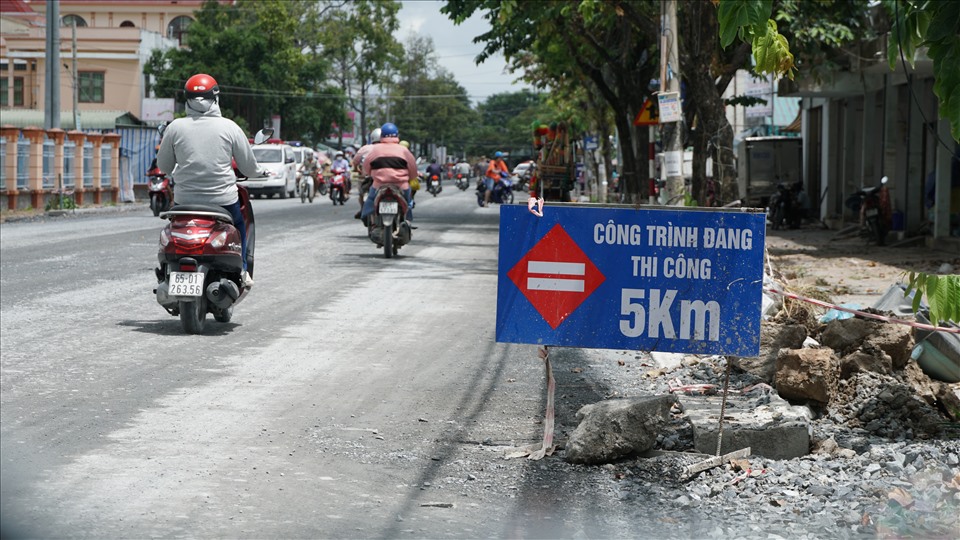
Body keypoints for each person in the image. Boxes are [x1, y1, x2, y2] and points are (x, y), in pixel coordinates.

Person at [156, 73, 263, 288]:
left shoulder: (175, 127)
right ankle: (241, 269)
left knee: (175, 230)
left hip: (185, 202)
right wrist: (260, 172)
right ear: (216, 98)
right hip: (222, 201)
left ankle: (168, 272)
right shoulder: (230, 127)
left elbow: (165, 167)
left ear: (187, 100)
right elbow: (248, 167)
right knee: (240, 226)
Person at [360, 122, 418, 224]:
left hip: (379, 184)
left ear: (381, 135)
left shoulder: (375, 149)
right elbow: (412, 168)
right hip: (401, 185)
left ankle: (365, 216)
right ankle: (408, 221)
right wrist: (411, 177)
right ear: (397, 135)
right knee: (408, 201)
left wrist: (371, 174)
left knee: (370, 199)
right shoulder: (403, 150)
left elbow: (366, 166)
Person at [351, 128, 381, 219]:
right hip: (383, 178)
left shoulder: (365, 148)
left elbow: (355, 162)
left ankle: (362, 209)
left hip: (367, 177)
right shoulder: (389, 148)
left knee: (361, 192)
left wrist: (357, 169)